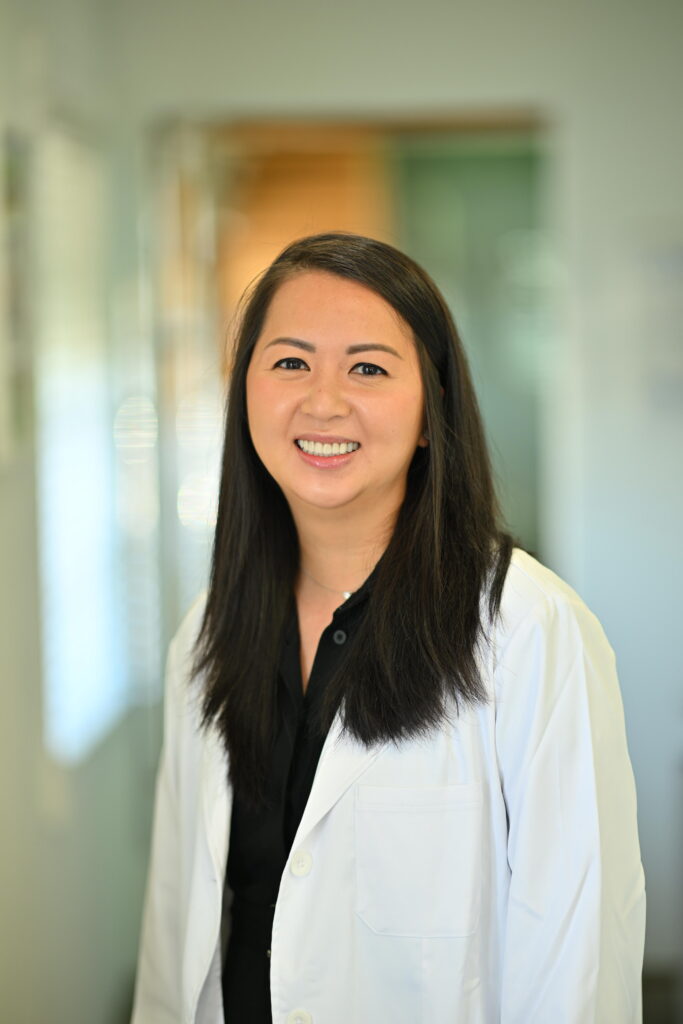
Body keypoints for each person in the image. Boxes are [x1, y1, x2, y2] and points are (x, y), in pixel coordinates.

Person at [131, 232, 645, 1024]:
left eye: (367, 367)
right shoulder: (208, 633)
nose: (323, 401)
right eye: (290, 362)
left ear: (431, 414)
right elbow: (175, 925)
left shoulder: (528, 630)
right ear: (244, 396)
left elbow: (577, 956)